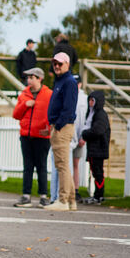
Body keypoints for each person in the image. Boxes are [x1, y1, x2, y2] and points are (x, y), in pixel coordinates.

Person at [11, 67, 52, 208]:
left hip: (42, 136)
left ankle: (43, 197)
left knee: (42, 166)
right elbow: (16, 114)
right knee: (27, 166)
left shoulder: (49, 94)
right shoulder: (24, 95)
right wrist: (25, 105)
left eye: (31, 77)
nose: (28, 80)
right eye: (27, 78)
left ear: (39, 78)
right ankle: (26, 196)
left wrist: (49, 128)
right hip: (26, 136)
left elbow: (51, 114)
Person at [43, 52, 78, 211]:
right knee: (63, 165)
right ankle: (71, 201)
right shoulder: (60, 81)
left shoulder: (69, 82)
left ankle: (63, 200)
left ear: (67, 64)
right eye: (55, 63)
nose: (56, 66)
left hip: (62, 127)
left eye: (60, 63)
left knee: (62, 165)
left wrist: (57, 126)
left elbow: (68, 108)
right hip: (58, 126)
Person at [80, 91, 110, 205]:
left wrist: (85, 134)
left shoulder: (100, 114)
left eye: (93, 100)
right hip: (93, 148)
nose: (90, 103)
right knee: (95, 171)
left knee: (97, 172)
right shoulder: (91, 113)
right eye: (89, 100)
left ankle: (99, 195)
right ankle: (98, 195)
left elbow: (98, 130)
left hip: (98, 148)